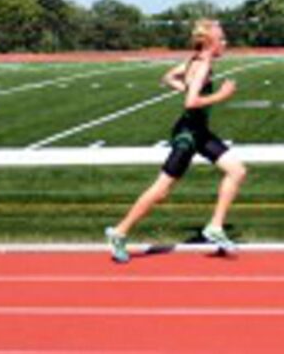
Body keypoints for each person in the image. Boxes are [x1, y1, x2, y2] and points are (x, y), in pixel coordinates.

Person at [105, 19, 247, 263]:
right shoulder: (201, 65)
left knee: (237, 170)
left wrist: (187, 86)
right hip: (188, 135)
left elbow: (168, 77)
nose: (226, 43)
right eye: (222, 39)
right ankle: (119, 232)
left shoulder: (196, 61)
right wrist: (220, 95)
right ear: (210, 42)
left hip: (199, 131)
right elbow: (190, 103)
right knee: (161, 191)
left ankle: (215, 227)